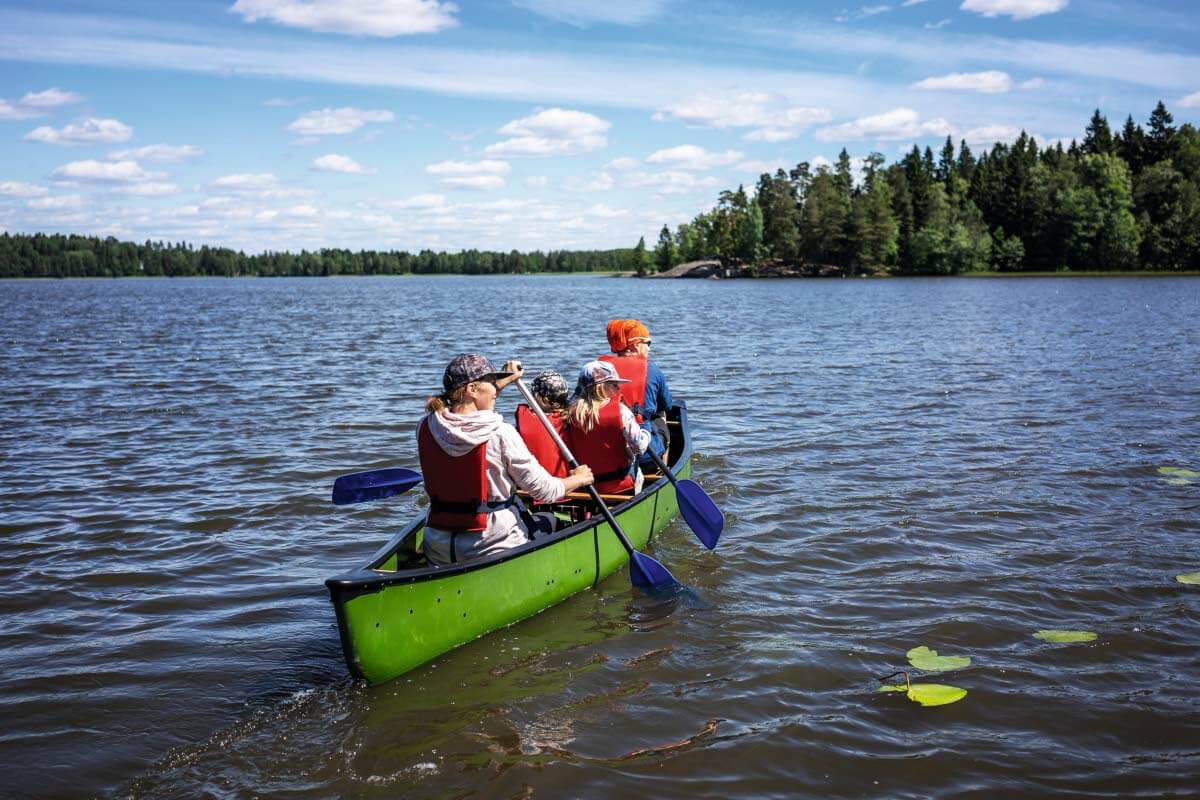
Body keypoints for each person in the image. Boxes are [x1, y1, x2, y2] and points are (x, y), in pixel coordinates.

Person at [418, 354, 593, 565]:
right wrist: (579, 479)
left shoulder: (426, 426)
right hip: (492, 545)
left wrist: (504, 381)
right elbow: (545, 491)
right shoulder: (501, 432)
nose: (494, 390)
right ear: (472, 390)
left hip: (439, 545)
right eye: (491, 383)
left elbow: (468, 412)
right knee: (550, 520)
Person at [565, 360, 650, 495]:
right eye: (614, 384)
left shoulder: (570, 413)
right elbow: (639, 448)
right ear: (600, 387)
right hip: (621, 484)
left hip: (587, 484)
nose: (619, 388)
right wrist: (646, 434)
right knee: (647, 428)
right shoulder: (622, 412)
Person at [599, 319, 673, 468]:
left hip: (602, 451)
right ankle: (660, 466)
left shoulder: (596, 371)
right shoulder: (652, 370)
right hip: (644, 454)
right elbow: (667, 405)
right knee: (661, 415)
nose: (649, 349)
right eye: (648, 343)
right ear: (635, 345)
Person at [514, 371, 571, 480]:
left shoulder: (527, 419)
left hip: (536, 488)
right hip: (570, 485)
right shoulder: (573, 417)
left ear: (543, 400)